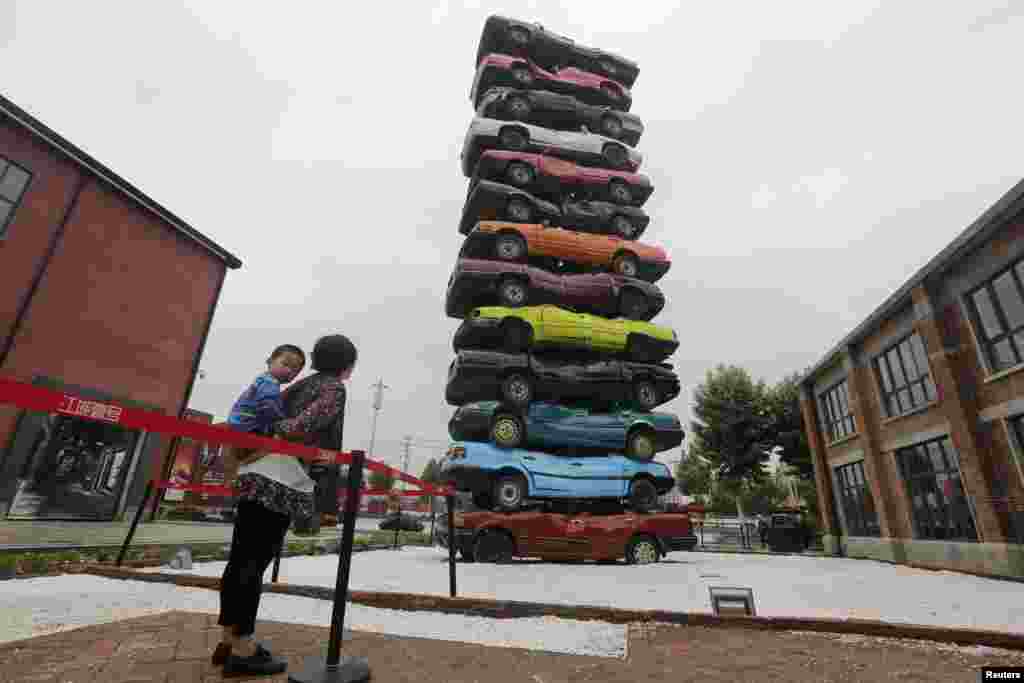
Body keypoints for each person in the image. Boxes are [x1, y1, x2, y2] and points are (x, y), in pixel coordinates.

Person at [213, 334, 357, 677]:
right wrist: (280, 433)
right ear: (348, 367)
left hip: (253, 471)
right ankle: (244, 648)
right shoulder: (334, 388)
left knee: (239, 558)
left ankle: (228, 638)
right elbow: (305, 426)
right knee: (254, 560)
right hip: (279, 478)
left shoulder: (297, 385)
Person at [226, 344, 307, 438]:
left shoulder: (262, 378)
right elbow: (269, 406)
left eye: (294, 370)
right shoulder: (270, 384)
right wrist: (283, 419)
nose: (289, 370)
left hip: (237, 421)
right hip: (248, 426)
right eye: (285, 364)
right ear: (269, 361)